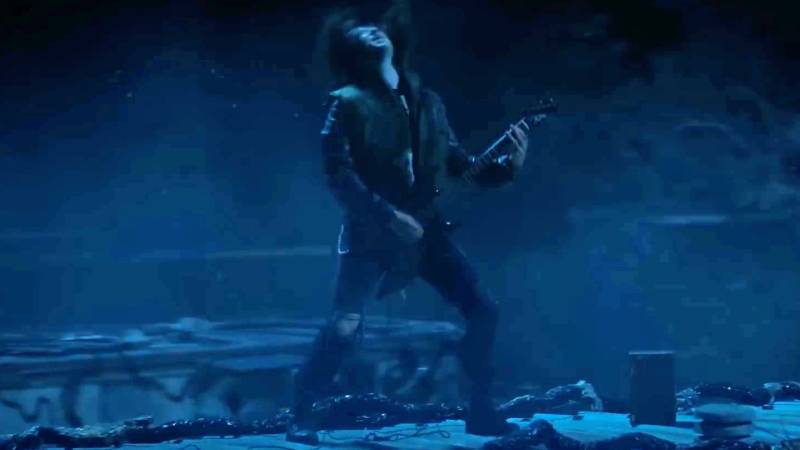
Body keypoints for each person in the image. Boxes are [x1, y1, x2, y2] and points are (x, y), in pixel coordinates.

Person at [287, 7, 529, 445]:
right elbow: (338, 174)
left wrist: (507, 166)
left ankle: (481, 410)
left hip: (427, 230)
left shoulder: (428, 102)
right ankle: (302, 414)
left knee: (483, 310)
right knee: (345, 323)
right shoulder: (346, 102)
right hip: (370, 232)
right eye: (357, 31)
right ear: (348, 51)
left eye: (373, 25)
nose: (370, 31)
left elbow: (460, 166)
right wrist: (388, 216)